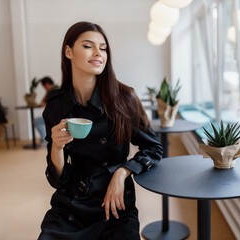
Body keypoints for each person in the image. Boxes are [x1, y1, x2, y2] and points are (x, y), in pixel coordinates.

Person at [38, 21, 163, 239]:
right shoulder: (56, 106)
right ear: (69, 51)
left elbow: (153, 148)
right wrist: (57, 146)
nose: (98, 53)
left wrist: (122, 172)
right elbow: (58, 180)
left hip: (114, 204)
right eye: (88, 46)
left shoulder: (125, 98)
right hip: (72, 204)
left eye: (103, 48)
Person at [34, 77, 59, 143]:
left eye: (44, 86)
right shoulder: (57, 88)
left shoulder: (52, 91)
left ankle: (45, 140)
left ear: (46, 84)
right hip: (58, 115)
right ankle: (45, 139)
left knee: (36, 121)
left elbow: (42, 103)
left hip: (54, 115)